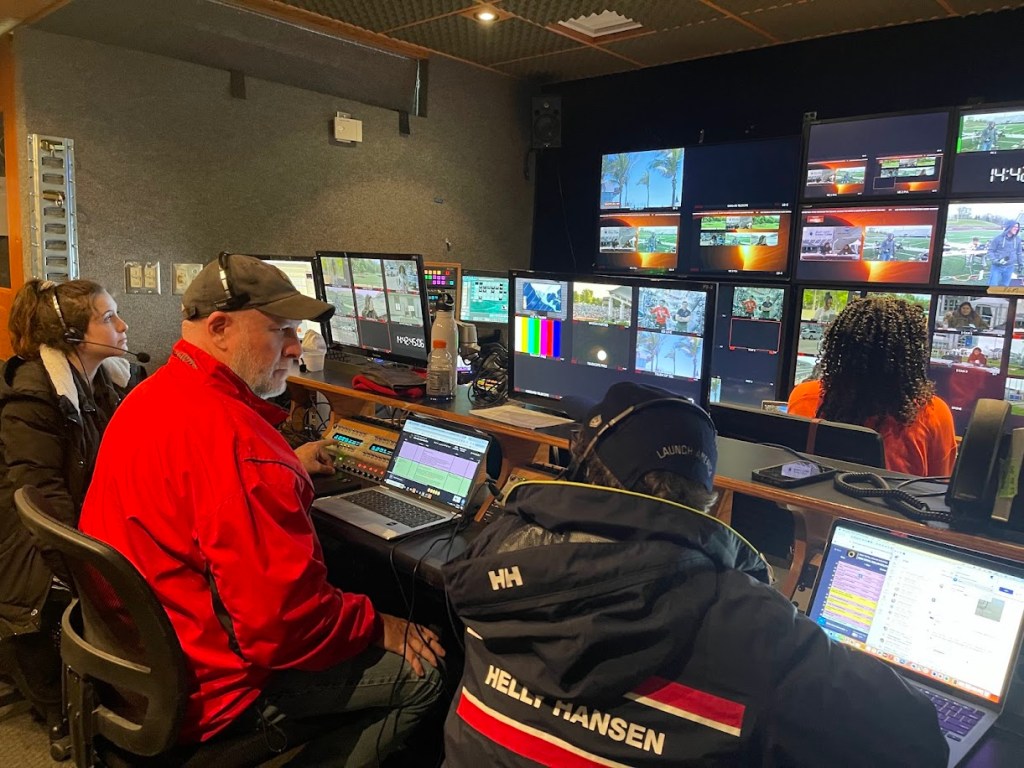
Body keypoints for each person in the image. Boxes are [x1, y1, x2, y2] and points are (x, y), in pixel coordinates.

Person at [442, 381, 948, 767]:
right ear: (707, 501)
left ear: (583, 473)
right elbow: (920, 741)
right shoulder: (754, 629)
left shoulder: (493, 556)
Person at [78, 255, 444, 763]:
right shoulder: (243, 452)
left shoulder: (150, 396)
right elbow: (284, 632)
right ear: (221, 327)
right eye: (281, 330)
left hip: (142, 670)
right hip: (212, 692)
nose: (296, 348)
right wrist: (377, 623)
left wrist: (279, 465)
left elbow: (205, 481)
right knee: (425, 676)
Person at [0, 278, 132, 755]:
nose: (122, 326)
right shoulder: (33, 394)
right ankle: (58, 706)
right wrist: (85, 569)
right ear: (72, 336)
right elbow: (41, 502)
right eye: (108, 317)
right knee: (52, 587)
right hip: (20, 528)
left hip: (62, 513)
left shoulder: (104, 382)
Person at [787, 296, 957, 476]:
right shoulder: (933, 412)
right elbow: (937, 490)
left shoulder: (803, 395)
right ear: (910, 355)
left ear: (839, 348)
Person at [986, 220, 1022, 287]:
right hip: (997, 267)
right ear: (1009, 227)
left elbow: (1019, 253)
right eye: (1014, 226)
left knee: (1005, 286)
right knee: (993, 286)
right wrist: (995, 260)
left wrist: (1021, 264)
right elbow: (990, 251)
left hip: (1010, 267)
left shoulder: (1018, 239)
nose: (1016, 228)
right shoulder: (998, 238)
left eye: (1017, 227)